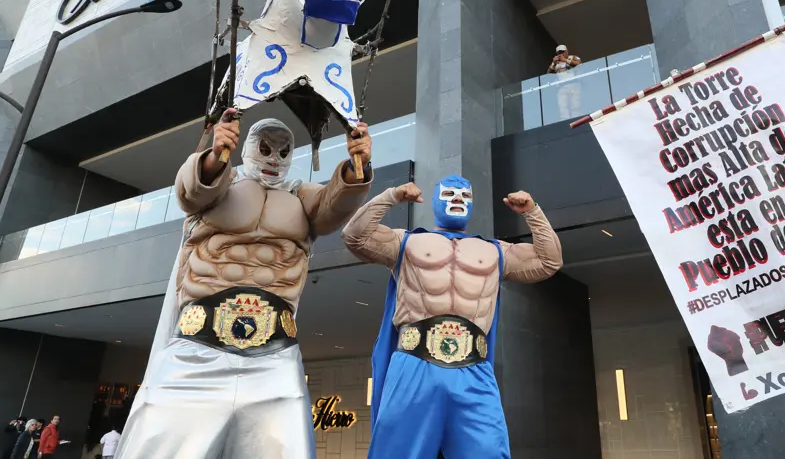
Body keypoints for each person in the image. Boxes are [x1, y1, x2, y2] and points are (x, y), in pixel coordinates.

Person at [116, 111, 373, 459]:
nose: (274, 158)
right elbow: (192, 190)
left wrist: (357, 165)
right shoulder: (221, 184)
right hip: (197, 347)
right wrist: (215, 155)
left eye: (283, 151)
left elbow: (334, 205)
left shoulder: (301, 197)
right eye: (265, 148)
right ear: (248, 147)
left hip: (274, 354)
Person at [342, 176, 563, 459]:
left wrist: (532, 212)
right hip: (415, 361)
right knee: (398, 452)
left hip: (473, 368)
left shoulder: (495, 251)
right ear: (435, 199)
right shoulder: (407, 242)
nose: (457, 199)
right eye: (449, 193)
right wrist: (392, 196)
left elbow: (549, 261)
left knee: (488, 451)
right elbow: (354, 236)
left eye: (464, 195)